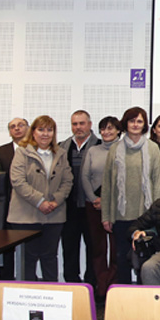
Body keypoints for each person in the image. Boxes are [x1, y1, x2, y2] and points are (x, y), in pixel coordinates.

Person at [101, 107, 160, 285]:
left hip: (146, 215)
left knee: (145, 260)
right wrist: (106, 215)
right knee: (121, 258)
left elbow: (158, 182)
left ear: (144, 125)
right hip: (121, 215)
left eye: (139, 121)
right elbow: (107, 185)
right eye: (131, 121)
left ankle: (143, 297)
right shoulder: (115, 149)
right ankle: (124, 295)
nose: (135, 125)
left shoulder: (153, 148)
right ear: (125, 123)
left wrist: (157, 214)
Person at [7, 115, 73, 281]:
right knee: (27, 259)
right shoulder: (22, 152)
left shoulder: (61, 153)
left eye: (49, 130)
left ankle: (52, 298)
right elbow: (17, 180)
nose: (45, 134)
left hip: (53, 214)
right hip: (25, 216)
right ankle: (27, 299)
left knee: (49, 257)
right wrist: (40, 201)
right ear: (33, 132)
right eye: (41, 129)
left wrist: (56, 200)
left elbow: (68, 180)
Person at [81, 116, 121, 300]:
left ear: (118, 131)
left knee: (115, 249)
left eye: (111, 129)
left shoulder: (123, 150)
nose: (106, 132)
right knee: (97, 248)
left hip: (116, 206)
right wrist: (94, 198)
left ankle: (112, 286)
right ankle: (100, 286)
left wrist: (106, 201)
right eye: (103, 129)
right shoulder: (92, 151)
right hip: (93, 206)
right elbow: (85, 177)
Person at [59, 110, 100, 285]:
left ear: (90, 125)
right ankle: (71, 283)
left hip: (92, 205)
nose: (78, 127)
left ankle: (91, 283)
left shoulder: (99, 145)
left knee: (93, 248)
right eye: (75, 124)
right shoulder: (62, 146)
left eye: (82, 123)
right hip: (68, 207)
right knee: (69, 247)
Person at [0, 117, 29, 280]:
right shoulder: (1, 152)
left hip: (31, 206)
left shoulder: (37, 149)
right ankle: (6, 280)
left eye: (21, 125)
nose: (17, 129)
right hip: (7, 208)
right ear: (9, 132)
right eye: (13, 127)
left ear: (28, 128)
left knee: (30, 247)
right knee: (7, 247)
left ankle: (29, 279)